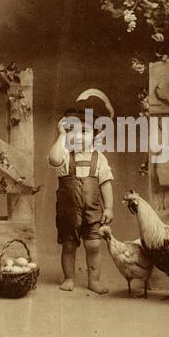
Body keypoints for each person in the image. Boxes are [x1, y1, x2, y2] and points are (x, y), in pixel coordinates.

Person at [48, 105, 114, 294]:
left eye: (84, 131)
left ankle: (94, 280)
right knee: (69, 245)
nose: (77, 136)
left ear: (95, 134)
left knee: (93, 245)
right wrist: (60, 135)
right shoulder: (65, 157)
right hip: (68, 211)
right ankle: (69, 277)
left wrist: (109, 208)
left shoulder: (99, 158)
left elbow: (106, 183)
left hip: (93, 210)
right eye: (71, 132)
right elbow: (53, 159)